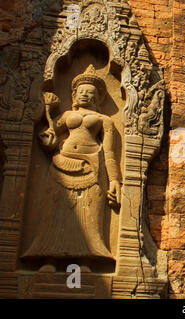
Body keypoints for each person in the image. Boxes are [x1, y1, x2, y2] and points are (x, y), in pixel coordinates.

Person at [22, 65, 121, 272]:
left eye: (90, 92)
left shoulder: (105, 120)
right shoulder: (67, 115)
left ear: (98, 97)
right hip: (62, 163)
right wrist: (48, 132)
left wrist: (114, 181)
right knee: (55, 212)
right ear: (75, 94)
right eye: (82, 91)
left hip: (91, 167)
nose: (86, 95)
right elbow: (52, 135)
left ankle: (83, 262)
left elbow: (110, 153)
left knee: (89, 217)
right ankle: (49, 259)